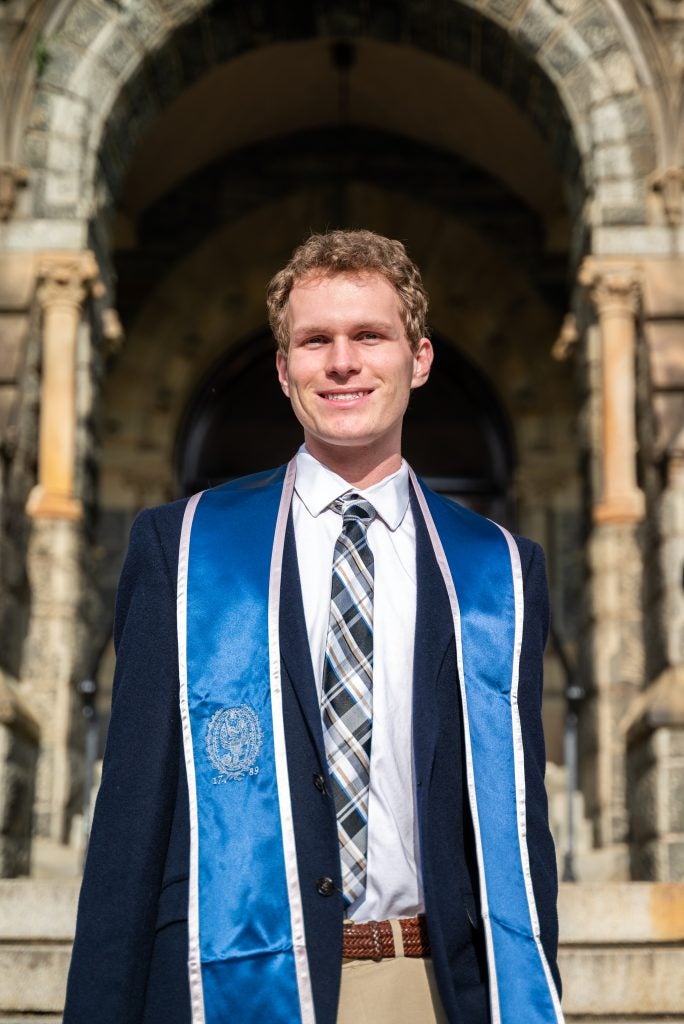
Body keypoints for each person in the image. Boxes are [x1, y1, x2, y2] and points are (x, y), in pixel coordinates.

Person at [64, 230, 563, 1024]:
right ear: (283, 368)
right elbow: (128, 826)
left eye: (370, 336)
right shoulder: (187, 550)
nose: (342, 363)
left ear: (419, 358)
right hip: (232, 982)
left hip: (429, 987)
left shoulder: (498, 571)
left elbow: (520, 836)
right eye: (315, 340)